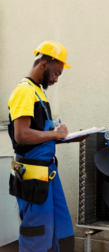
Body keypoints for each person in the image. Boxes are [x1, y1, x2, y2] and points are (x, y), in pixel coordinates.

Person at [8, 40, 84, 252]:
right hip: (33, 178)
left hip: (47, 173)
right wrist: (54, 134)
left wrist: (62, 138)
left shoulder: (38, 92)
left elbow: (39, 134)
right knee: (37, 234)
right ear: (43, 64)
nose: (56, 79)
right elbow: (21, 135)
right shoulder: (24, 92)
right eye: (56, 73)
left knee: (61, 231)